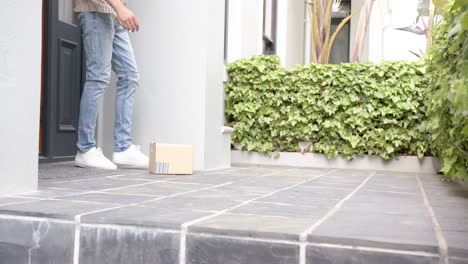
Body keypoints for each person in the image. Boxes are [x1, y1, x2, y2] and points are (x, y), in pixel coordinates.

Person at [73, 0, 148, 170]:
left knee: (130, 76)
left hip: (112, 14)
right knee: (98, 77)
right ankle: (85, 149)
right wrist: (120, 7)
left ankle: (123, 148)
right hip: (95, 11)